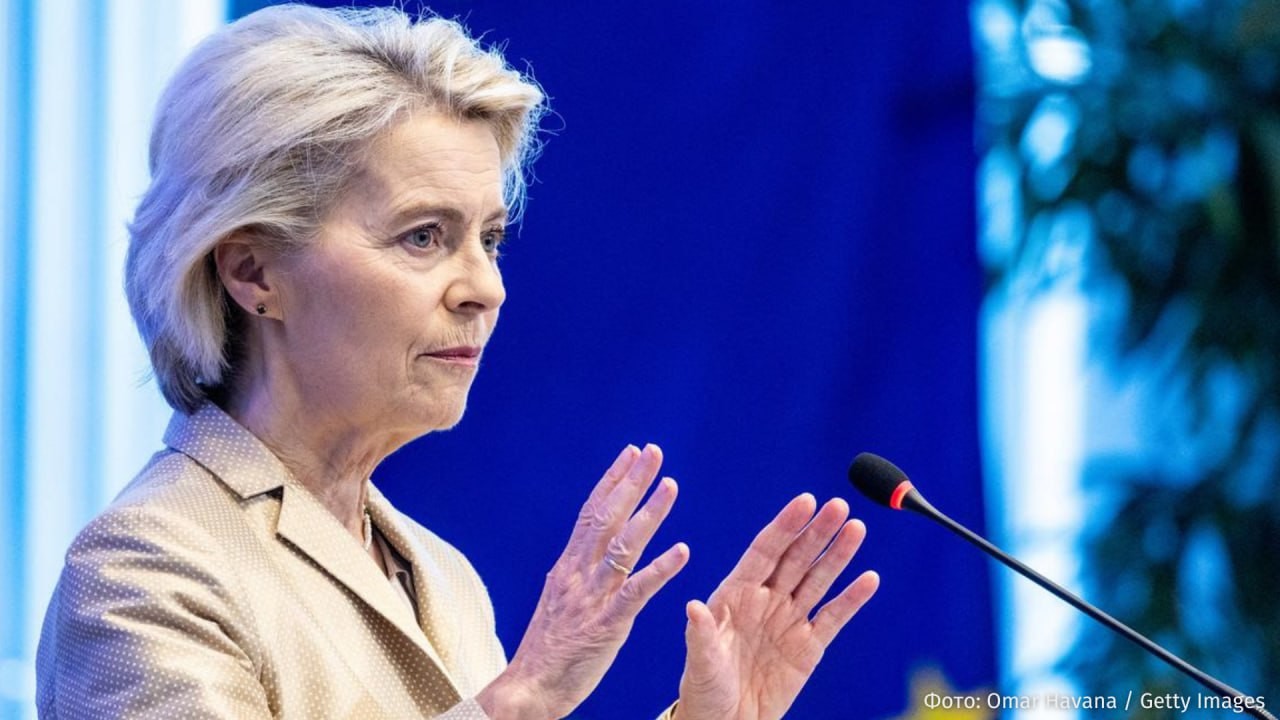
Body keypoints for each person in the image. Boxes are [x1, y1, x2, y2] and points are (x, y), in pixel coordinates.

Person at [35, 5, 880, 718]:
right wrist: (522, 699)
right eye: (423, 236)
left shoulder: (443, 576)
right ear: (254, 272)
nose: (486, 288)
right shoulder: (145, 574)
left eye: (490, 239)